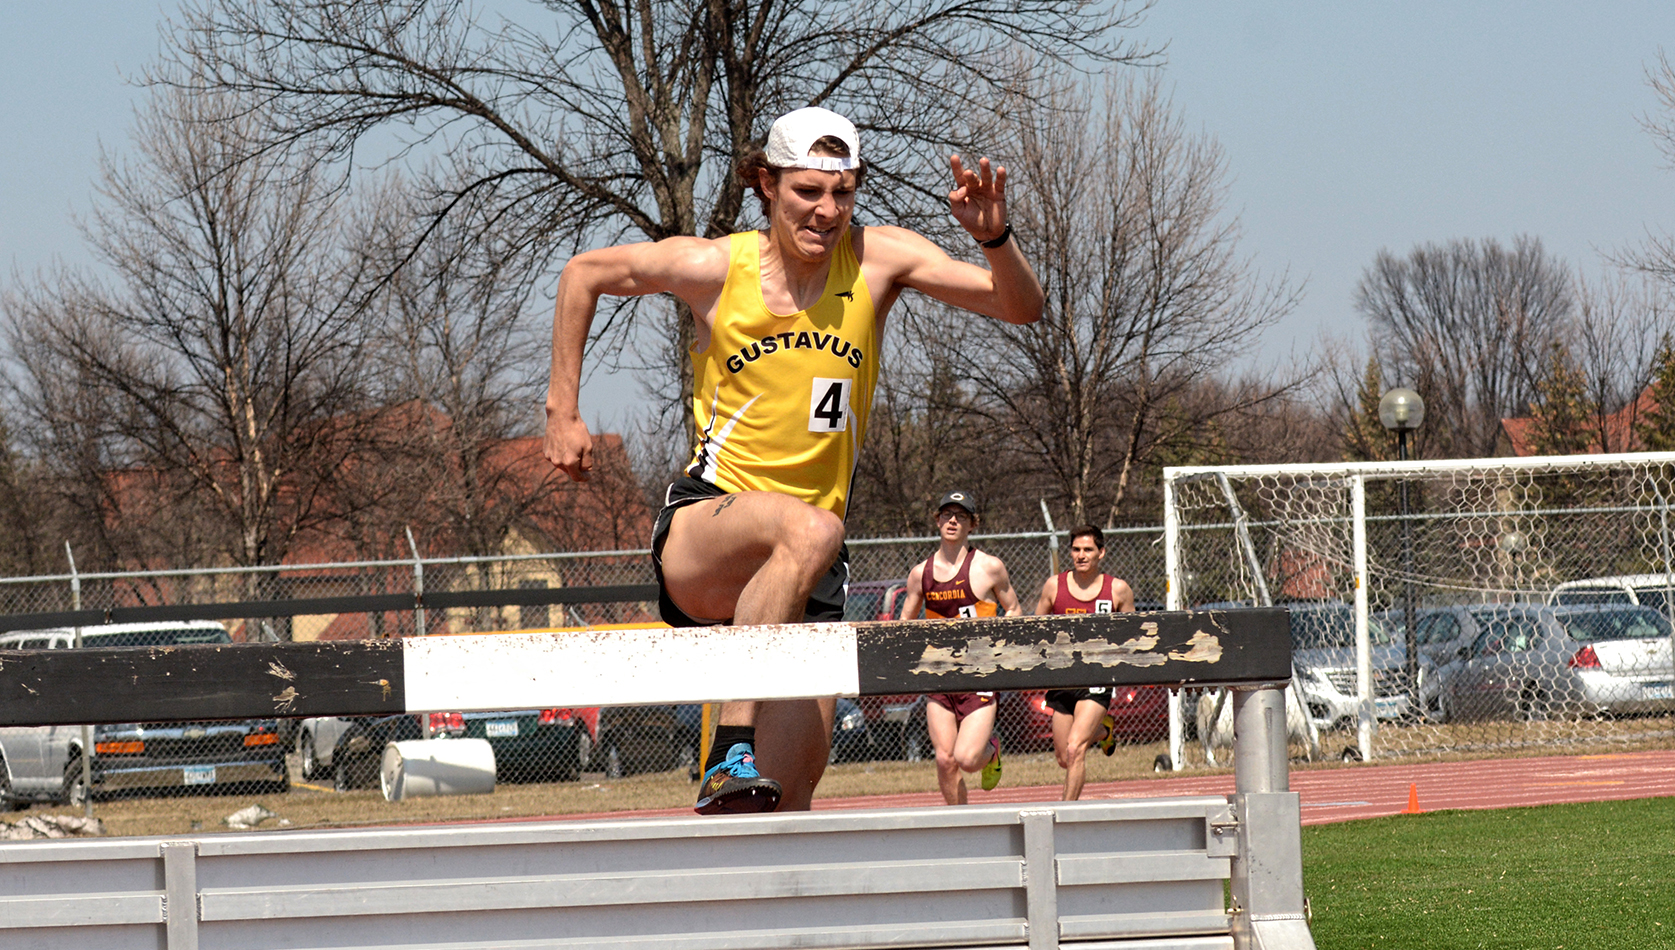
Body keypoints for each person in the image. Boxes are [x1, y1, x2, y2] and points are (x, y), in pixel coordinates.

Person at [544, 107, 1044, 814]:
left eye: (840, 193)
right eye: (806, 192)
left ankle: (743, 883)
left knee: (785, 800)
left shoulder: (877, 259)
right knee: (808, 528)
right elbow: (583, 273)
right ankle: (726, 750)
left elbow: (1021, 307)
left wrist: (993, 237)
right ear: (765, 186)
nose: (825, 211)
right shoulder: (716, 267)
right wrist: (562, 409)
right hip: (707, 529)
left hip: (807, 569)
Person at [897, 490, 1021, 804]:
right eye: (947, 515)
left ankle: (991, 751)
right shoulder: (920, 574)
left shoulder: (989, 567)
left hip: (979, 675)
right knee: (944, 759)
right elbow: (903, 624)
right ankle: (960, 824)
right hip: (940, 676)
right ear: (937, 520)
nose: (953, 521)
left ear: (972, 525)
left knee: (966, 758)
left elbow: (1015, 610)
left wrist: (999, 649)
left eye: (961, 516)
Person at [1034, 525, 1136, 801]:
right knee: (1062, 757)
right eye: (1076, 549)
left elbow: (1133, 637)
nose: (1081, 555)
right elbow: (1034, 629)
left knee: (1075, 748)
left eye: (1088, 550)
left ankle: (1065, 815)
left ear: (1101, 553)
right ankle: (1104, 730)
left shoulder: (1117, 590)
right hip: (1062, 679)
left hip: (1096, 680)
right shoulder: (1054, 586)